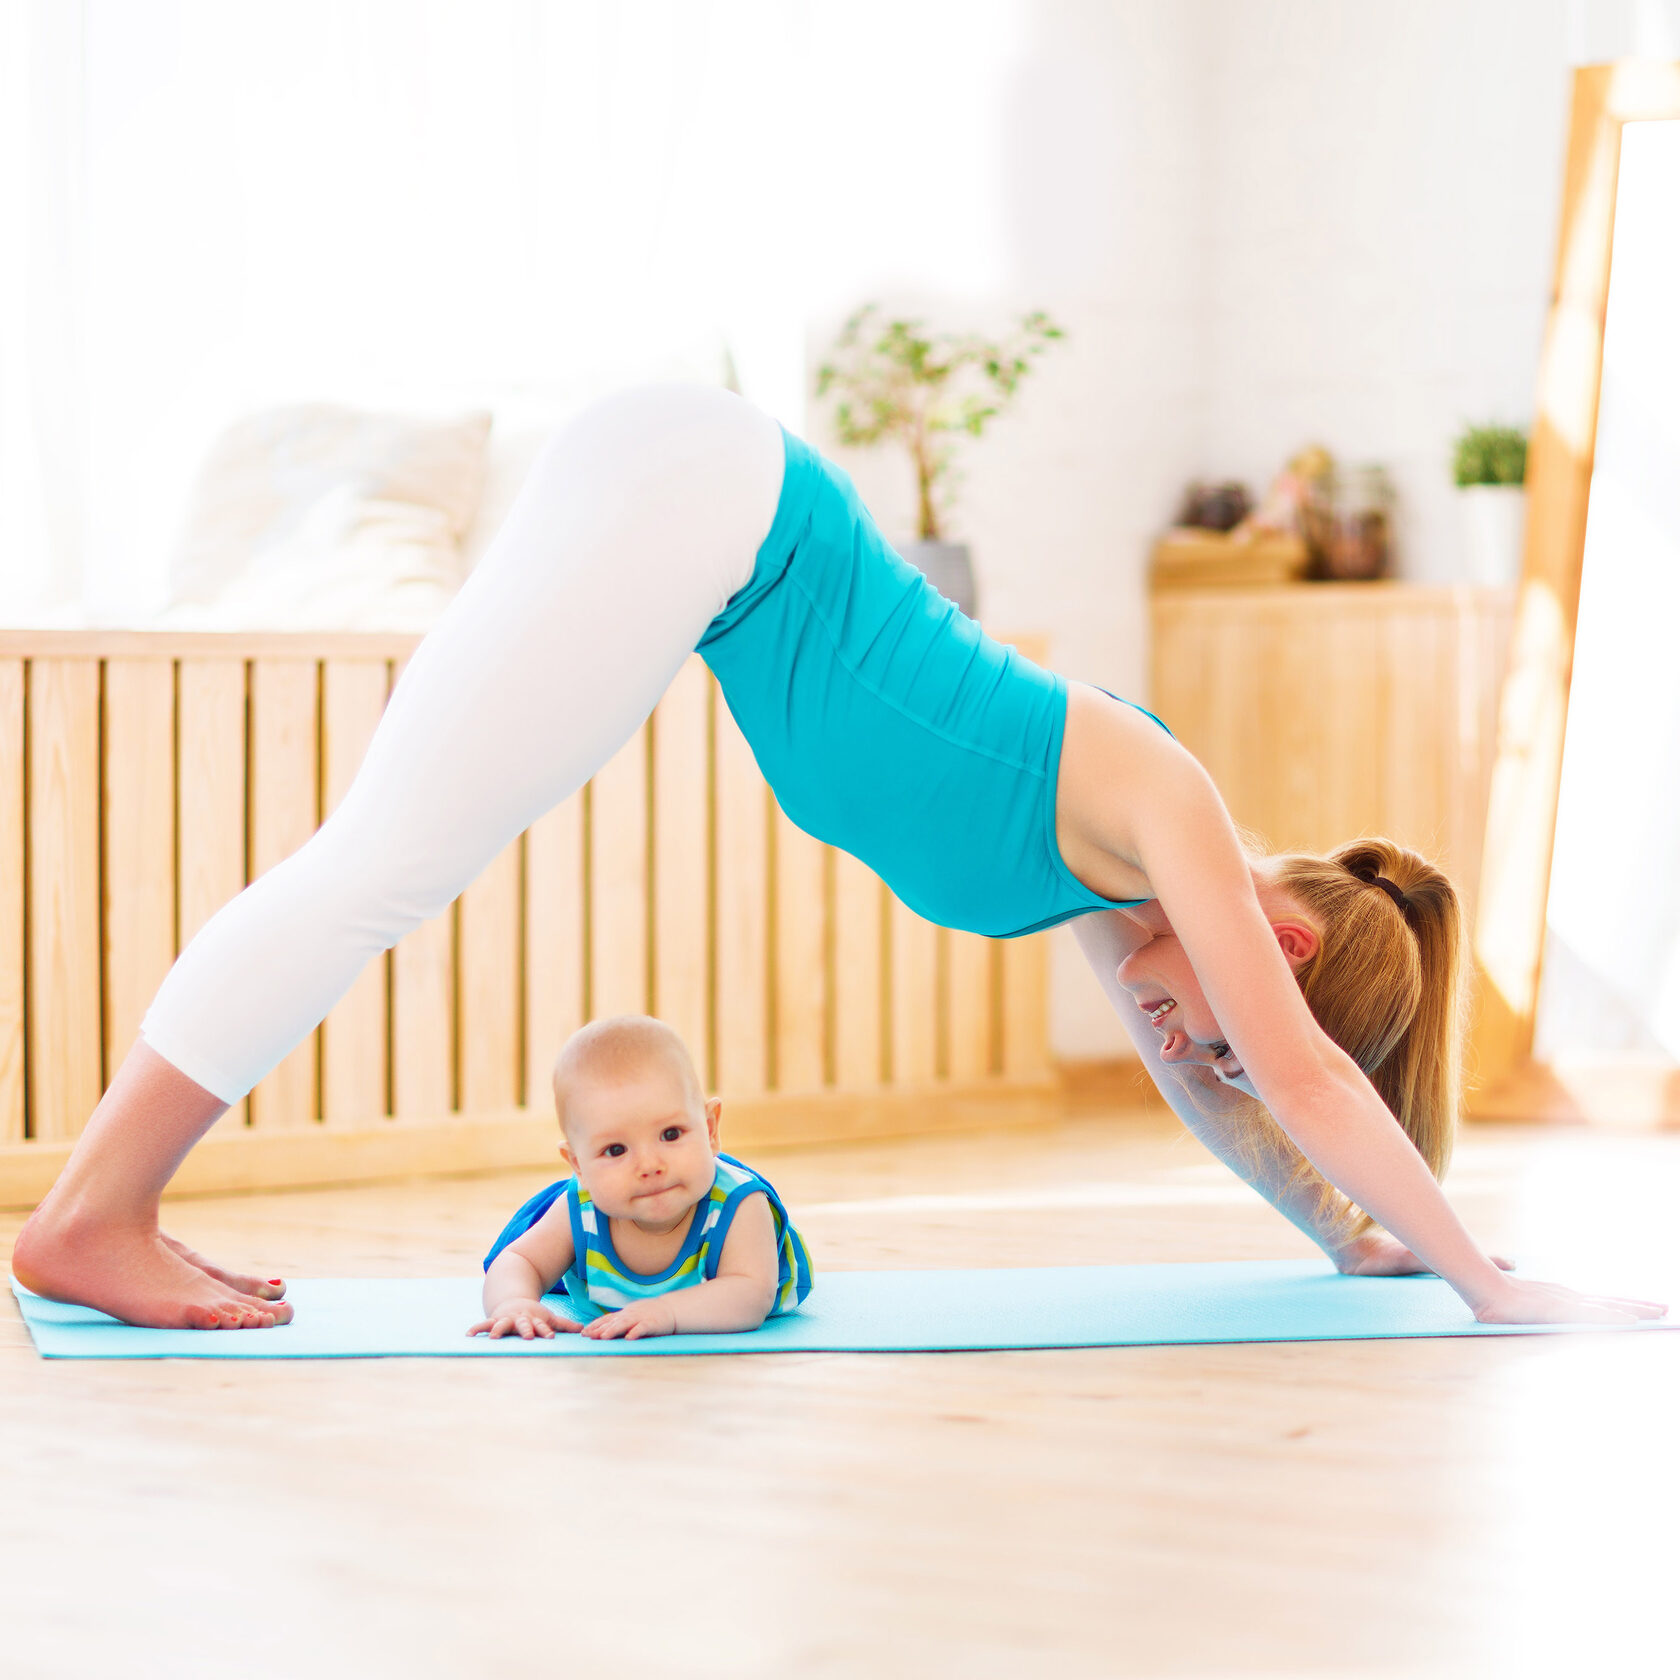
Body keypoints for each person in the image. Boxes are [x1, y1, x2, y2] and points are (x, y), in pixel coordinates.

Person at [10, 382, 1666, 1331]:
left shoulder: (1118, 885)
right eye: (1219, 1022)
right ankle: (96, 1213)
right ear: (1282, 946)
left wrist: (1345, 1238)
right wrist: (1486, 1284)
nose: (1185, 1041)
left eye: (1202, 1042)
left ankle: (102, 1206)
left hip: (706, 528)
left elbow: (1238, 1096)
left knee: (384, 855)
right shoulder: (1168, 808)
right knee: (383, 860)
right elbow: (1297, 1077)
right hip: (713, 501)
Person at [469, 1014, 812, 1342]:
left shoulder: (739, 1204)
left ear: (710, 1130)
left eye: (671, 1134)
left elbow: (750, 1295)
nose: (649, 1165)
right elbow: (519, 1260)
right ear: (578, 1165)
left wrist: (666, 1312)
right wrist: (514, 1302)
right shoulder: (581, 1208)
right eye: (616, 1150)